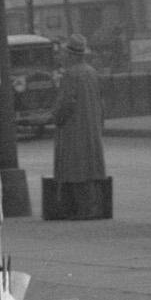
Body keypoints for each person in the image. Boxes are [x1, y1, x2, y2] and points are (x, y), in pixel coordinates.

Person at [51, 40, 107, 193]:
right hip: (92, 127)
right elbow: (101, 101)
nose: (62, 56)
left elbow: (65, 103)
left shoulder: (70, 74)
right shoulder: (92, 72)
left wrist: (56, 117)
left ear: (71, 55)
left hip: (74, 128)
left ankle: (76, 204)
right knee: (91, 164)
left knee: (75, 166)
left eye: (65, 53)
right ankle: (91, 200)